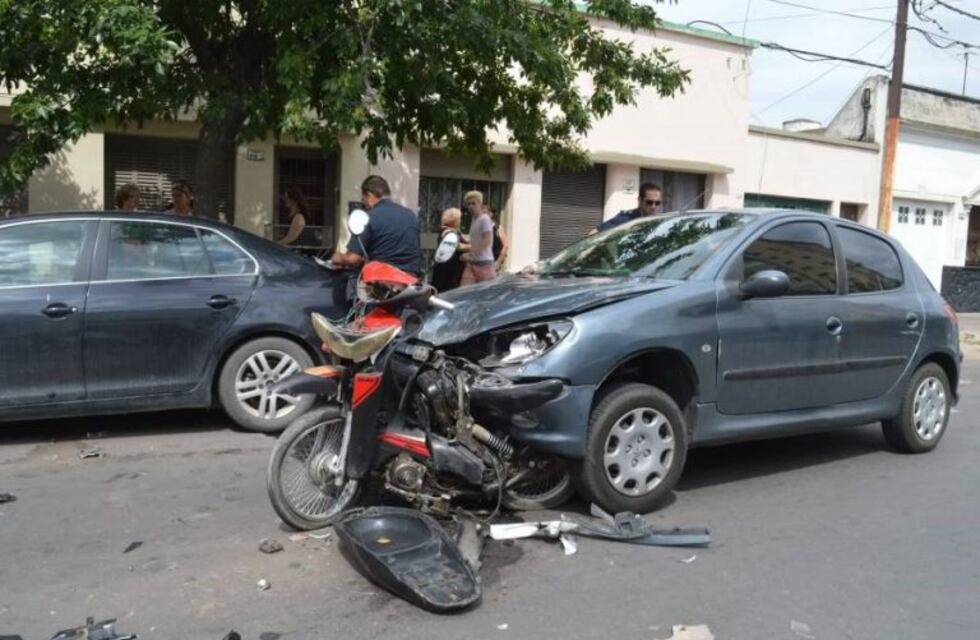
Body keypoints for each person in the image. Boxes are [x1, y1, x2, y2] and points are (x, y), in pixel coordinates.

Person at [331, 175, 422, 276]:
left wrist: (339, 258)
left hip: (383, 282)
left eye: (363, 200)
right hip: (410, 281)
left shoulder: (367, 217)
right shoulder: (411, 215)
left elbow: (353, 259)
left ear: (369, 196)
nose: (364, 205)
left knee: (351, 280)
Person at [593, 182, 662, 233]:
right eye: (649, 202)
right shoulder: (626, 218)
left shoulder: (660, 222)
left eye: (657, 203)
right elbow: (596, 232)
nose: (653, 206)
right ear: (640, 200)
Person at [461, 190, 496, 285]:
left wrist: (471, 254)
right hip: (473, 263)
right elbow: (475, 239)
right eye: (469, 204)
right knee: (463, 291)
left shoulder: (485, 219)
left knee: (486, 294)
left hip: (484, 263)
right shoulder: (474, 220)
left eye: (473, 203)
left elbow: (487, 241)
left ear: (480, 204)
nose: (471, 206)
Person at [431, 207, 470, 292]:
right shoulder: (447, 232)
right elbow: (457, 246)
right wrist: (474, 246)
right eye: (459, 218)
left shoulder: (454, 231)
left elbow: (464, 240)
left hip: (451, 270)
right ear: (454, 220)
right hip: (447, 271)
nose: (460, 221)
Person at [484, 203, 510, 273]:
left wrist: (498, 262)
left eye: (485, 213)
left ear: (490, 214)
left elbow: (505, 246)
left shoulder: (497, 228)